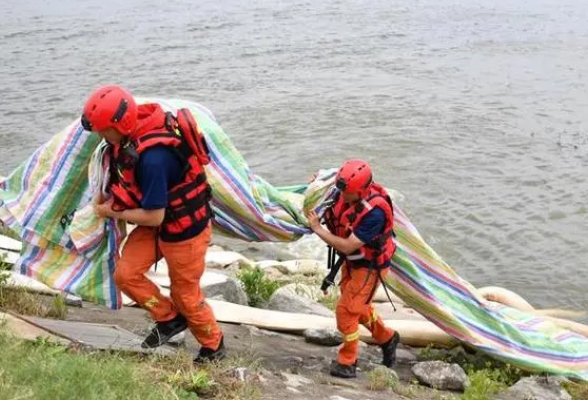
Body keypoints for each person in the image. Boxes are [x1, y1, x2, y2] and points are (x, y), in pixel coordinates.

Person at [82, 85, 225, 363]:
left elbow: (154, 215)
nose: (100, 136)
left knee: (186, 296)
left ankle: (213, 345)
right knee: (125, 275)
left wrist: (111, 212)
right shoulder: (128, 138)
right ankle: (169, 318)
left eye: (103, 130)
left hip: (184, 231)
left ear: (120, 124)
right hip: (157, 224)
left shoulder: (153, 159)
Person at [306, 160, 400, 378]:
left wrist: (318, 229)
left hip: (370, 266)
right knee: (358, 307)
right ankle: (387, 338)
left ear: (362, 191)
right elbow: (328, 179)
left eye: (347, 193)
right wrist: (315, 184)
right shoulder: (343, 189)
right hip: (353, 262)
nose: (342, 196)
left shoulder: (374, 214)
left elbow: (348, 245)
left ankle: (347, 361)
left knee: (346, 312)